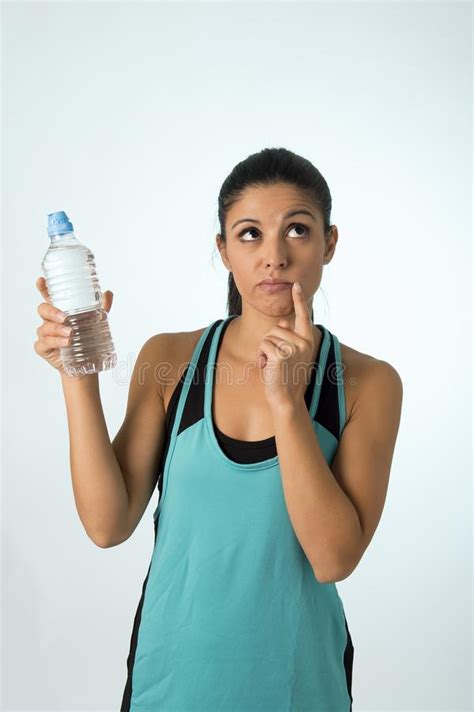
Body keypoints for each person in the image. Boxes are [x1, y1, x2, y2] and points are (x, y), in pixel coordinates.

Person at [34, 147, 403, 711]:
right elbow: (108, 524)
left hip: (299, 690)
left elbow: (334, 558)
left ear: (329, 242)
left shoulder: (365, 383)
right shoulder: (171, 360)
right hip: (171, 686)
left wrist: (286, 402)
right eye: (250, 234)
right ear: (224, 249)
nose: (274, 256)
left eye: (297, 230)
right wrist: (76, 376)